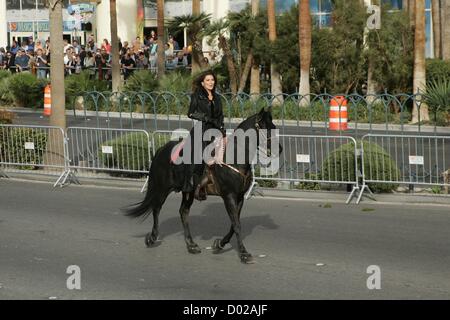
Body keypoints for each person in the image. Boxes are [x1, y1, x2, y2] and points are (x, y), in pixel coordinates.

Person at [182, 70, 224, 200]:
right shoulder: (197, 96)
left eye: (212, 80)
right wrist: (206, 118)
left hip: (215, 130)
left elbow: (220, 116)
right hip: (201, 130)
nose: (211, 82)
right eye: (208, 80)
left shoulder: (217, 98)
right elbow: (191, 113)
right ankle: (188, 184)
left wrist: (222, 130)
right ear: (202, 83)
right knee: (197, 158)